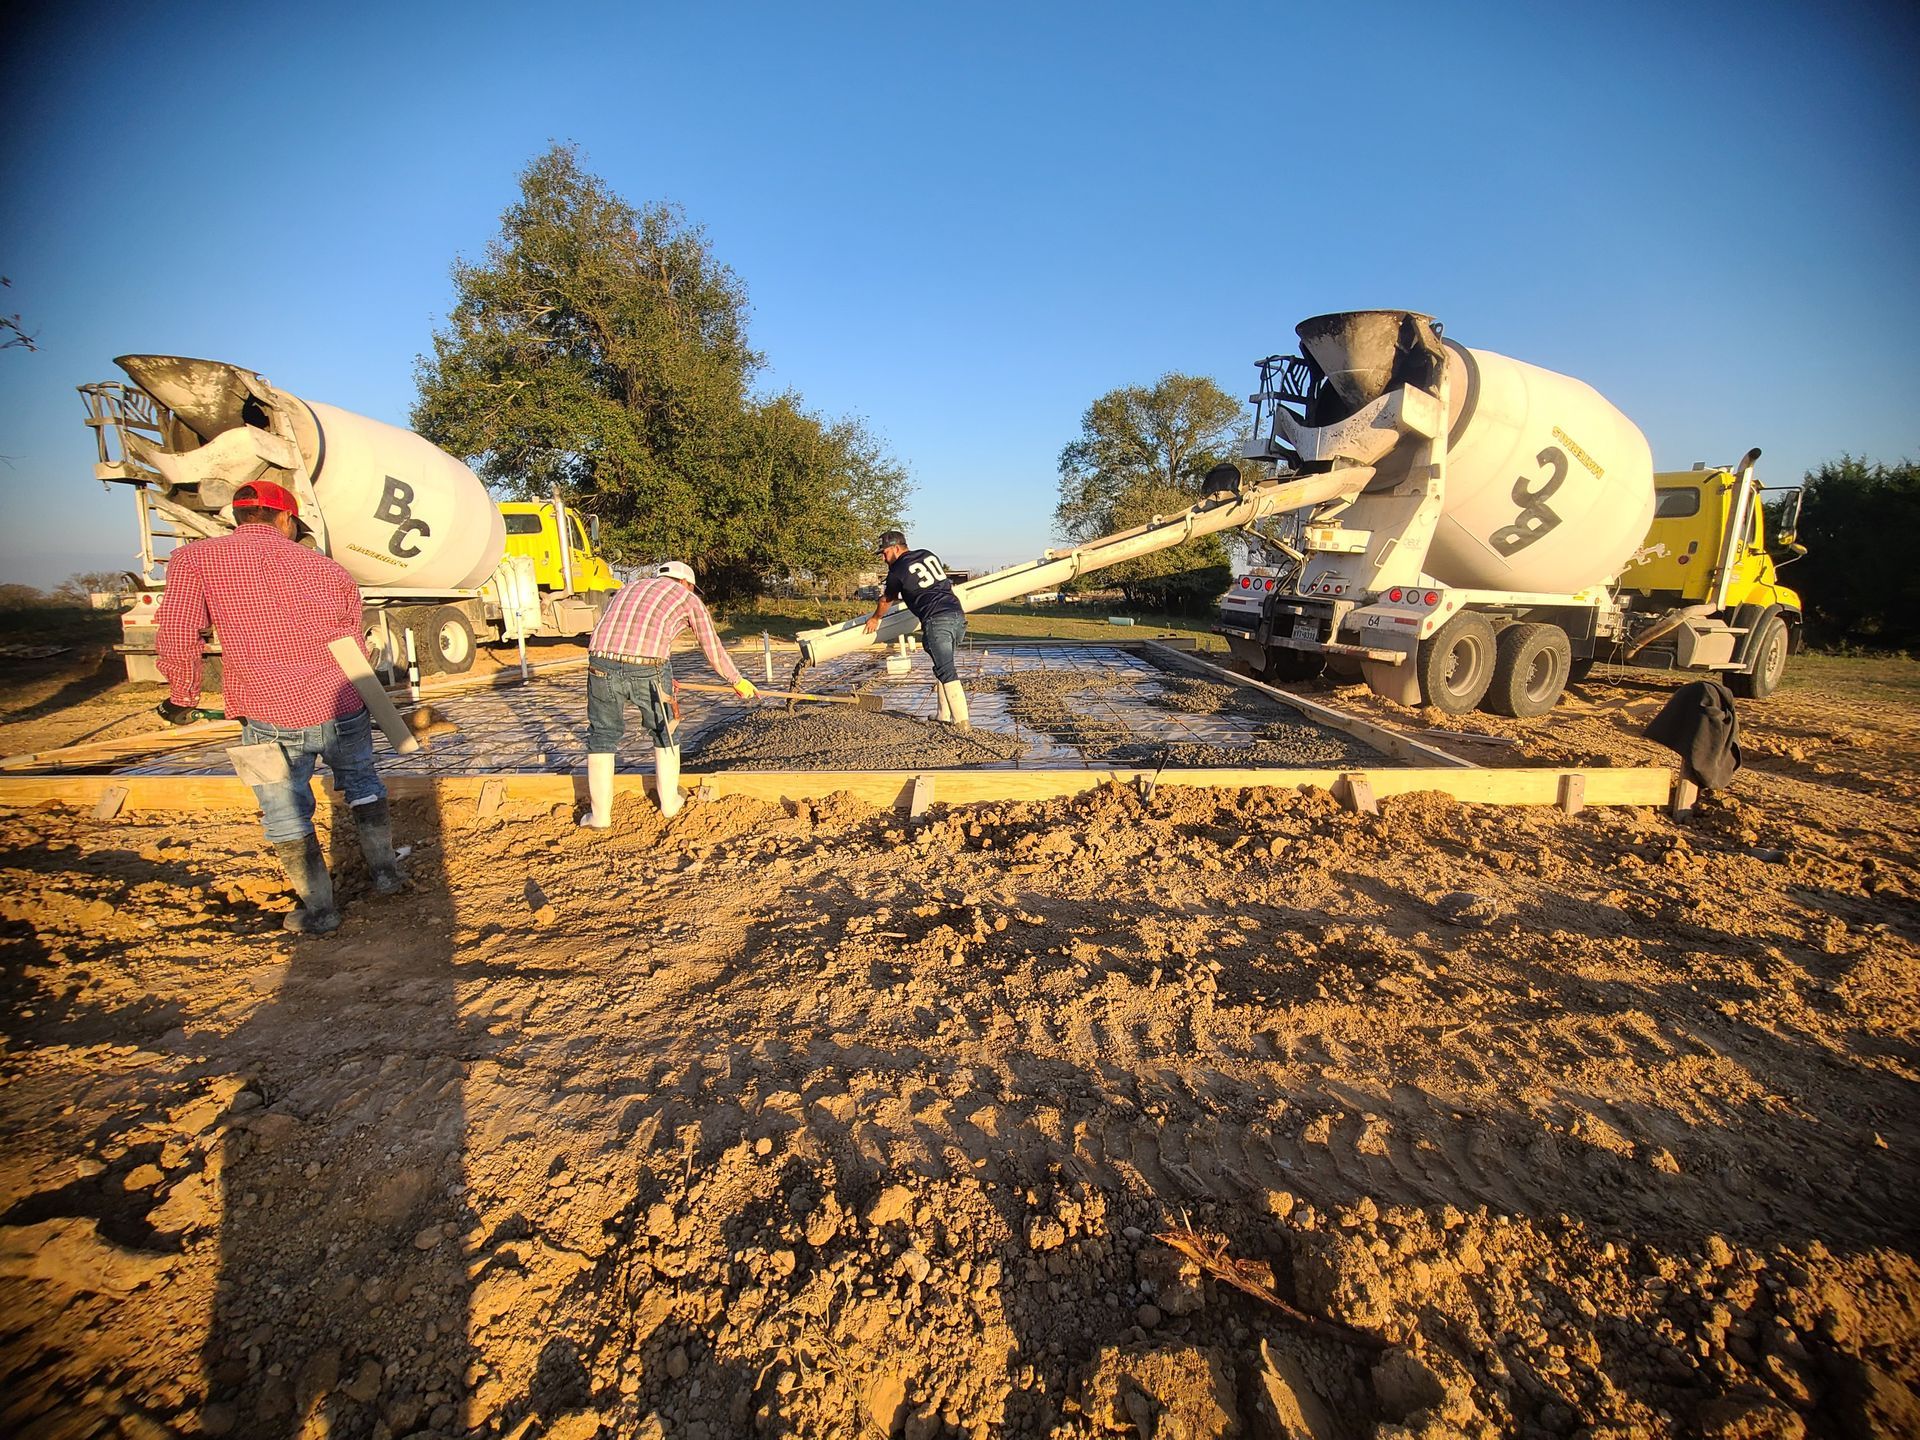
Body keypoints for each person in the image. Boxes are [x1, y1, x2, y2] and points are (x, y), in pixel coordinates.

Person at [154, 479, 404, 936]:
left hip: (266, 711)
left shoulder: (196, 559)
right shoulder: (329, 569)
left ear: (238, 517)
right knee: (364, 782)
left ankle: (321, 912)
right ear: (286, 519)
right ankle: (387, 877)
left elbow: (177, 631)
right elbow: (353, 645)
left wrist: (181, 697)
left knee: (284, 810)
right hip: (341, 702)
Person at [581, 561, 757, 827]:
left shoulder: (630, 587)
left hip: (600, 663)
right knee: (665, 731)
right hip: (649, 665)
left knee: (602, 735)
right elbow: (712, 646)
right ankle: (670, 803)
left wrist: (657, 675)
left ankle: (600, 817)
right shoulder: (688, 599)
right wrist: (737, 680)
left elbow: (620, 633)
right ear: (686, 583)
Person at [864, 529, 969, 729]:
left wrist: (875, 618)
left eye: (884, 553)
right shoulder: (927, 554)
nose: (884, 559)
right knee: (943, 665)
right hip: (957, 615)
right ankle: (943, 714)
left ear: (895, 548)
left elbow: (887, 599)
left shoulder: (897, 570)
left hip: (937, 620)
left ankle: (963, 724)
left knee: (946, 670)